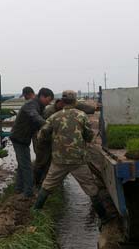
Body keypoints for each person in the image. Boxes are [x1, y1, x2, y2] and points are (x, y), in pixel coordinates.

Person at [34, 90, 106, 219]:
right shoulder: (81, 115)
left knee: (47, 186)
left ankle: (35, 212)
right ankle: (105, 218)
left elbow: (42, 134)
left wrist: (51, 141)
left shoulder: (54, 116)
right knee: (91, 189)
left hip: (59, 161)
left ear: (63, 100)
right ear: (75, 101)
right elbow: (89, 136)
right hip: (78, 161)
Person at [10, 87, 54, 198]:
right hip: (19, 138)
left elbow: (43, 118)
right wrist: (49, 127)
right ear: (42, 96)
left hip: (23, 139)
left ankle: (18, 189)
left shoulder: (40, 105)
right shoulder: (32, 104)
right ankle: (28, 193)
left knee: (22, 165)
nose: (49, 102)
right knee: (27, 166)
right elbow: (35, 116)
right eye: (48, 100)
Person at [33, 99, 65, 186]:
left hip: (49, 140)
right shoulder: (49, 112)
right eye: (63, 104)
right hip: (43, 140)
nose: (64, 106)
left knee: (49, 162)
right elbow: (44, 128)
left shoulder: (60, 111)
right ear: (59, 103)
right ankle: (37, 183)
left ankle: (45, 183)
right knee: (41, 162)